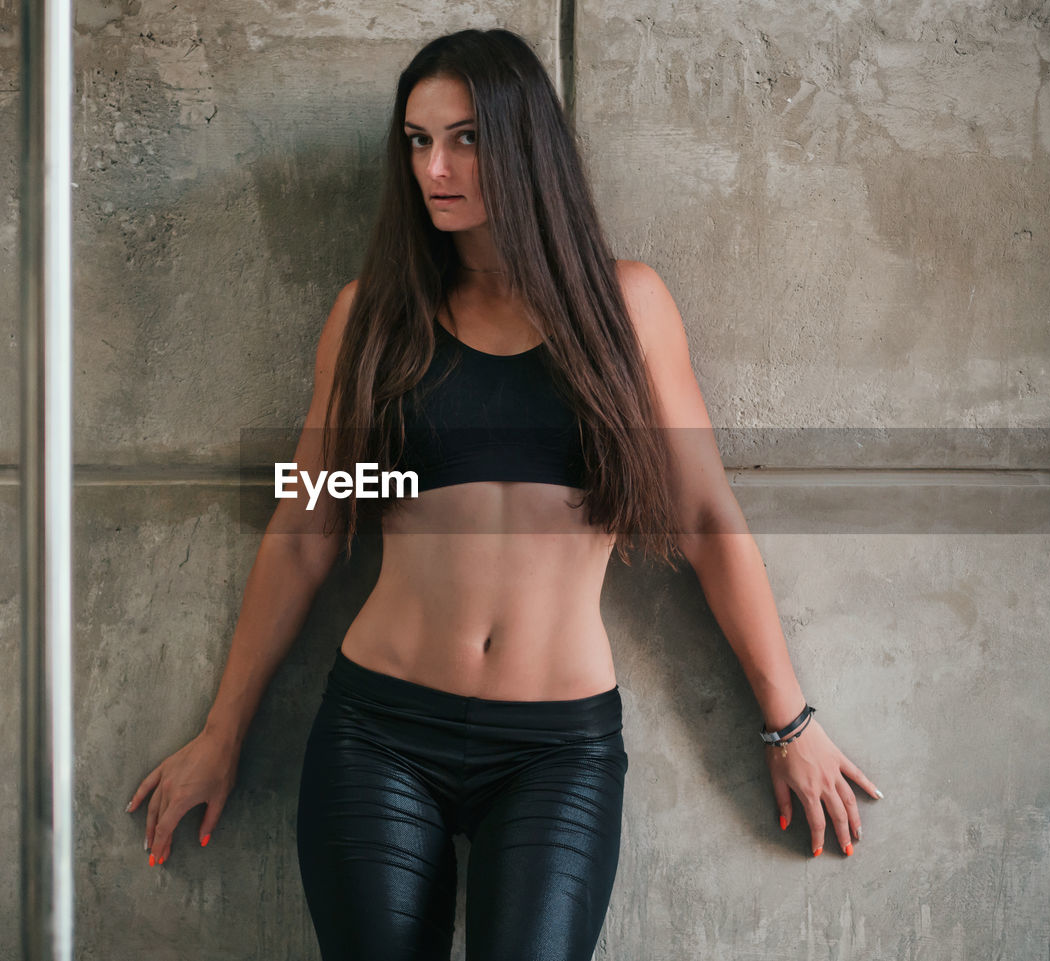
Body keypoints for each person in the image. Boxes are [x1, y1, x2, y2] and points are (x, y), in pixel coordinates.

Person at [126, 27, 882, 961]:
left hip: (557, 751)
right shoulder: (372, 317)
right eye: (416, 139)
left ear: (525, 143)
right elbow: (304, 528)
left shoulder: (626, 309)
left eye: (467, 137)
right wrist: (223, 728)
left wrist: (790, 721)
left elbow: (705, 520)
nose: (435, 166)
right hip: (379, 733)